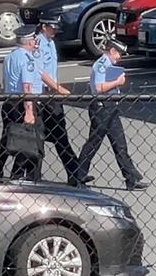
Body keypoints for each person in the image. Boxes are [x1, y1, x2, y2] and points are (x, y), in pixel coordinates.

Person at [77, 39, 149, 191]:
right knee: (93, 143)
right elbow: (99, 87)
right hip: (101, 108)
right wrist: (117, 82)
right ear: (112, 51)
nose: (120, 57)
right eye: (119, 54)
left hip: (111, 107)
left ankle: (131, 178)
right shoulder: (101, 65)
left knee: (120, 144)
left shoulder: (110, 65)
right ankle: (77, 176)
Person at [34, 17, 93, 187]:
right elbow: (40, 73)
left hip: (52, 94)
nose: (55, 31)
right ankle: (34, 176)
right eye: (52, 27)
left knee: (61, 137)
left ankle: (74, 174)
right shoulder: (38, 44)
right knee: (39, 138)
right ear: (44, 27)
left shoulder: (50, 43)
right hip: (45, 94)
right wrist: (58, 88)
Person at [0, 24, 44, 181]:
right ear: (28, 42)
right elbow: (27, 86)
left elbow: (6, 80)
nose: (35, 41)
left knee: (7, 139)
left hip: (9, 102)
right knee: (27, 141)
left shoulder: (10, 56)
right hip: (21, 104)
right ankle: (22, 175)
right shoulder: (27, 59)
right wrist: (29, 111)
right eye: (33, 39)